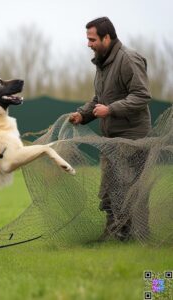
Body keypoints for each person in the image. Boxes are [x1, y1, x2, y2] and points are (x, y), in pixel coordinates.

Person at [69, 17, 151, 241]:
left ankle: (134, 236)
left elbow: (142, 96)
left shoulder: (128, 59)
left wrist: (111, 109)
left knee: (128, 190)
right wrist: (83, 115)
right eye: (88, 39)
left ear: (107, 38)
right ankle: (116, 234)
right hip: (111, 138)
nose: (88, 44)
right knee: (109, 189)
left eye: (92, 39)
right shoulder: (102, 62)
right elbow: (99, 98)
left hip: (132, 137)